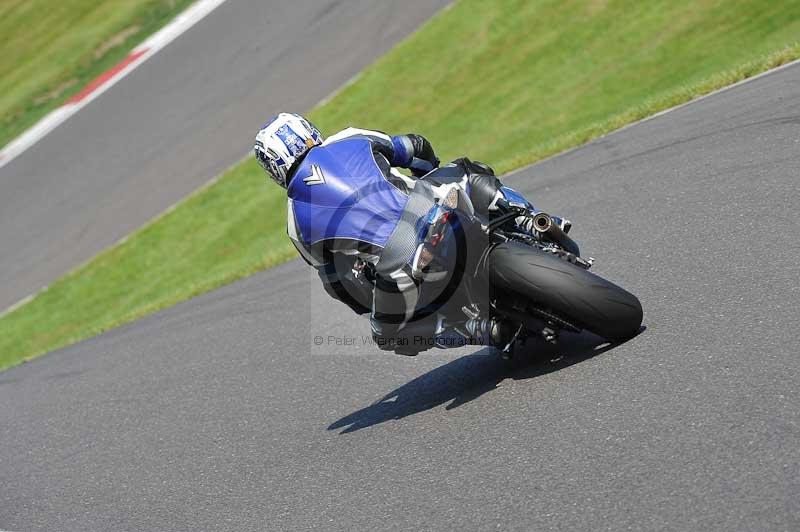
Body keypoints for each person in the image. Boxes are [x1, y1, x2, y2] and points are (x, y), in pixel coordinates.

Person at [254, 113, 541, 355]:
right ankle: (530, 219)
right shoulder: (349, 137)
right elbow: (414, 147)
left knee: (384, 334)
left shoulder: (295, 224)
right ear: (308, 130)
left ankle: (476, 330)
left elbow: (339, 284)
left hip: (399, 263)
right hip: (430, 207)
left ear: (273, 168)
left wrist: (373, 305)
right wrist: (430, 171)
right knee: (466, 170)